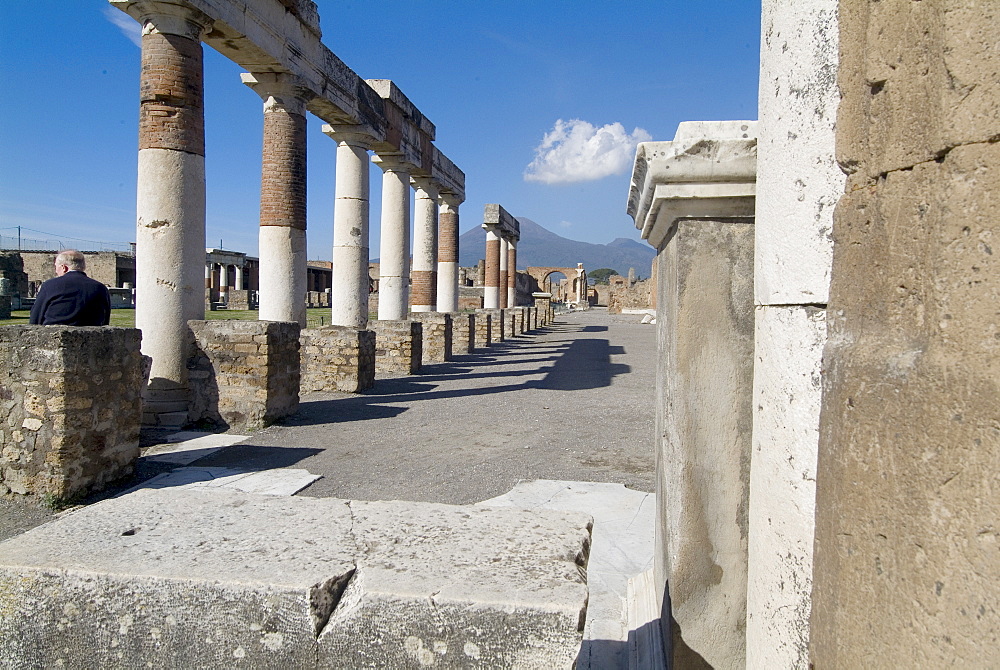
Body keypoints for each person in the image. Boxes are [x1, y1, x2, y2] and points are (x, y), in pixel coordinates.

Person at [29, 250, 111, 326]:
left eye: (56, 267)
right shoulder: (100, 288)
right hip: (91, 337)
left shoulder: (50, 285)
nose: (56, 271)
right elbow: (105, 321)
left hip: (54, 336)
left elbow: (36, 317)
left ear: (64, 267)